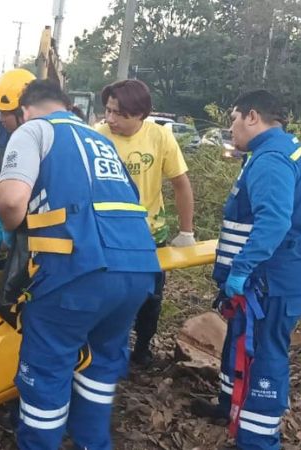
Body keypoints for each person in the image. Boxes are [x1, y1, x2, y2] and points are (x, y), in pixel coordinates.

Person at [0, 79, 160, 450]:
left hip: (76, 272)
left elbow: (10, 202)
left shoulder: (34, 130)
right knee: (99, 368)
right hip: (137, 270)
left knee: (47, 371)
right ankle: (92, 443)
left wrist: (12, 228)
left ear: (25, 110)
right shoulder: (101, 140)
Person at [192, 90, 301, 450]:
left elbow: (273, 222)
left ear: (252, 117)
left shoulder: (271, 159)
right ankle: (230, 406)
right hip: (270, 278)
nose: (230, 126)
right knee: (239, 342)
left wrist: (241, 269)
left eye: (233, 117)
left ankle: (258, 440)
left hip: (269, 281)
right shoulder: (277, 150)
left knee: (264, 355)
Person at [97, 79, 196, 365]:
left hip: (149, 232)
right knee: (110, 294)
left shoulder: (160, 137)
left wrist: (186, 231)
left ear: (140, 114)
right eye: (108, 111)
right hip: (110, 233)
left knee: (151, 297)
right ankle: (107, 349)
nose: (110, 119)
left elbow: (180, 183)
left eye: (119, 113)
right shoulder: (98, 136)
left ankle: (142, 347)